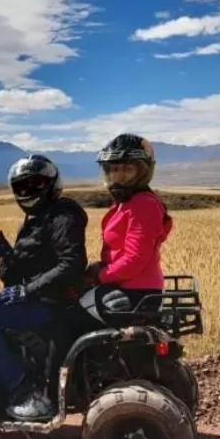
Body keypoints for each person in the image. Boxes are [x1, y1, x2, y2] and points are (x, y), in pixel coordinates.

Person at [0, 154, 88, 422]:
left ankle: (19, 387)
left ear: (52, 183)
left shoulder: (62, 216)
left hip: (50, 303)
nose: (29, 192)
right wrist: (7, 256)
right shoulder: (37, 219)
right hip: (38, 299)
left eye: (36, 184)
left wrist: (27, 290)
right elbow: (14, 275)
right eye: (22, 187)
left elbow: (71, 265)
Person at [85, 133, 173, 317]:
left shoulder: (143, 204)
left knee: (68, 320)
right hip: (124, 287)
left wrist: (99, 277)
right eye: (114, 169)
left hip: (134, 293)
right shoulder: (126, 202)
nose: (120, 175)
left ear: (142, 172)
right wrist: (98, 267)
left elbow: (134, 259)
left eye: (128, 169)